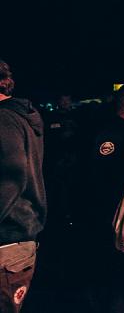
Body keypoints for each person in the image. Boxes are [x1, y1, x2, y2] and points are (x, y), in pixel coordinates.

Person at [80, 81, 124, 313]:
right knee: (108, 284)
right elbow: (99, 180)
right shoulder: (113, 135)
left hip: (110, 222)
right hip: (107, 223)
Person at [0, 60, 46, 313]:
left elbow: (11, 176)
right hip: (17, 238)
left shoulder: (4, 119)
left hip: (6, 241)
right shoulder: (19, 117)